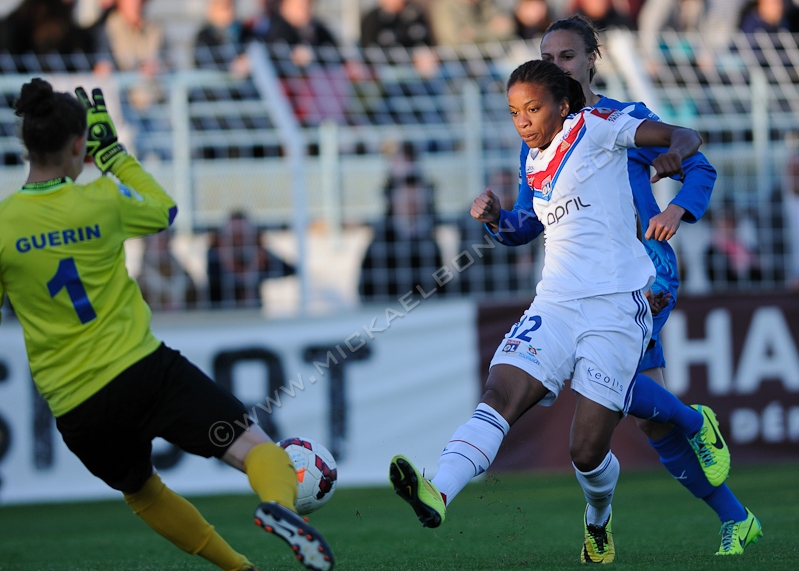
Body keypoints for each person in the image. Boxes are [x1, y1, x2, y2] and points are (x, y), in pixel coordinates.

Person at [388, 58, 737, 564]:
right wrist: (494, 219)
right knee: (501, 391)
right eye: (513, 112)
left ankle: (599, 521)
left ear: (564, 103)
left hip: (616, 308)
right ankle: (438, 489)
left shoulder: (598, 127)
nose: (523, 121)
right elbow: (524, 228)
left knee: (585, 451)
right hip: (554, 302)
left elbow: (684, 134)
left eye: (532, 108)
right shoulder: (533, 159)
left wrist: (675, 154)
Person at [0, 78, 334, 571]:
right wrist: (112, 154)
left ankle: (240, 569)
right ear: (80, 145)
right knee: (248, 443)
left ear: (26, 144)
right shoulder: (101, 202)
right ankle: (281, 509)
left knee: (142, 490)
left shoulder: (5, 226)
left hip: (75, 404)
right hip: (140, 370)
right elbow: (164, 210)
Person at [523, 15, 760, 556]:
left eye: (566, 56)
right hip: (583, 285)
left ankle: (695, 421)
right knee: (647, 422)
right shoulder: (538, 138)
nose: (556, 66)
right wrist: (496, 222)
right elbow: (526, 220)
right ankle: (737, 517)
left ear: (591, 59)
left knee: (607, 380)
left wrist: (677, 209)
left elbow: (699, 167)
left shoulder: (622, 119)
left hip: (641, 270)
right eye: (548, 57)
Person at [359, 173, 447, 301]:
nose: (411, 204)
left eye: (415, 198)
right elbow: (366, 287)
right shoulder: (379, 241)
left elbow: (440, 286)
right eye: (405, 198)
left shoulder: (431, 242)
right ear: (394, 201)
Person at [207, 211, 296, 309]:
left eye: (242, 235)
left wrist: (260, 263)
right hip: (222, 315)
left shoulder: (256, 251)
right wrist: (239, 268)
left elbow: (289, 269)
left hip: (254, 314)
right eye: (234, 235)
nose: (238, 240)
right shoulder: (215, 252)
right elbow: (215, 279)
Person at [360, 0, 434, 49]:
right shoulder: (372, 19)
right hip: (384, 65)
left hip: (414, 65)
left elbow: (428, 40)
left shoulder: (415, 13)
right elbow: (368, 46)